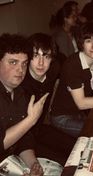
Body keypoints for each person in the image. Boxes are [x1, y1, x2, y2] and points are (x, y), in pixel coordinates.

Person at [21, 33, 76, 164]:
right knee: (65, 163)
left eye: (46, 56)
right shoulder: (21, 85)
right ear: (28, 57)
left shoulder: (54, 69)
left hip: (42, 129)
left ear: (51, 58)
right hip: (24, 140)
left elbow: (70, 62)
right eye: (35, 55)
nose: (41, 63)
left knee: (77, 148)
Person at [0, 33, 48, 175]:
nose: (20, 70)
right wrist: (30, 120)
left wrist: (33, 164)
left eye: (24, 63)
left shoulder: (21, 93)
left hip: (13, 160)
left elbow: (23, 139)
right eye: (13, 62)